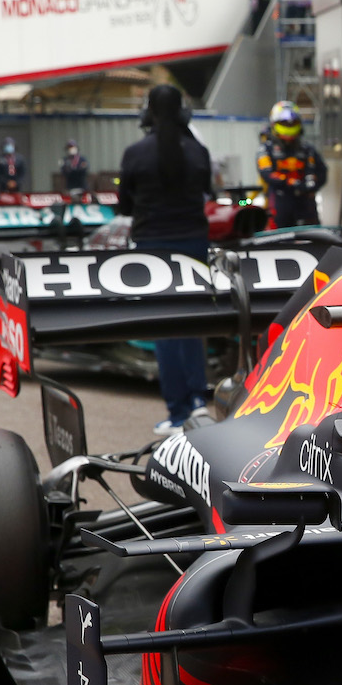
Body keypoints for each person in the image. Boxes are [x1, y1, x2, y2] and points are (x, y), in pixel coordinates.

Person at [119, 85, 213, 437]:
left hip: (151, 247)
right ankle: (199, 402)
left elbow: (125, 206)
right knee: (192, 323)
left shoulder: (135, 153)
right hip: (194, 244)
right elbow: (207, 192)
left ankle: (176, 414)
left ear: (149, 113)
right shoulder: (198, 151)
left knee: (163, 328)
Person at [257, 100, 327, 228]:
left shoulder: (307, 149)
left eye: (292, 123)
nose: (288, 126)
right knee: (279, 240)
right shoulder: (266, 149)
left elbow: (322, 172)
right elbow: (267, 174)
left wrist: (311, 185)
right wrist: (291, 183)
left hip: (306, 202)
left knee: (313, 239)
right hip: (280, 201)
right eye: (284, 123)